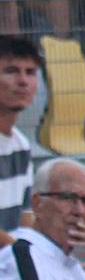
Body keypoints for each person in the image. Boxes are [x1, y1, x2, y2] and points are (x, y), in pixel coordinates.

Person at [0, 36, 38, 228]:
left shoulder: (21, 145)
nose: (23, 81)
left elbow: (26, 219)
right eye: (11, 71)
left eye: (30, 72)